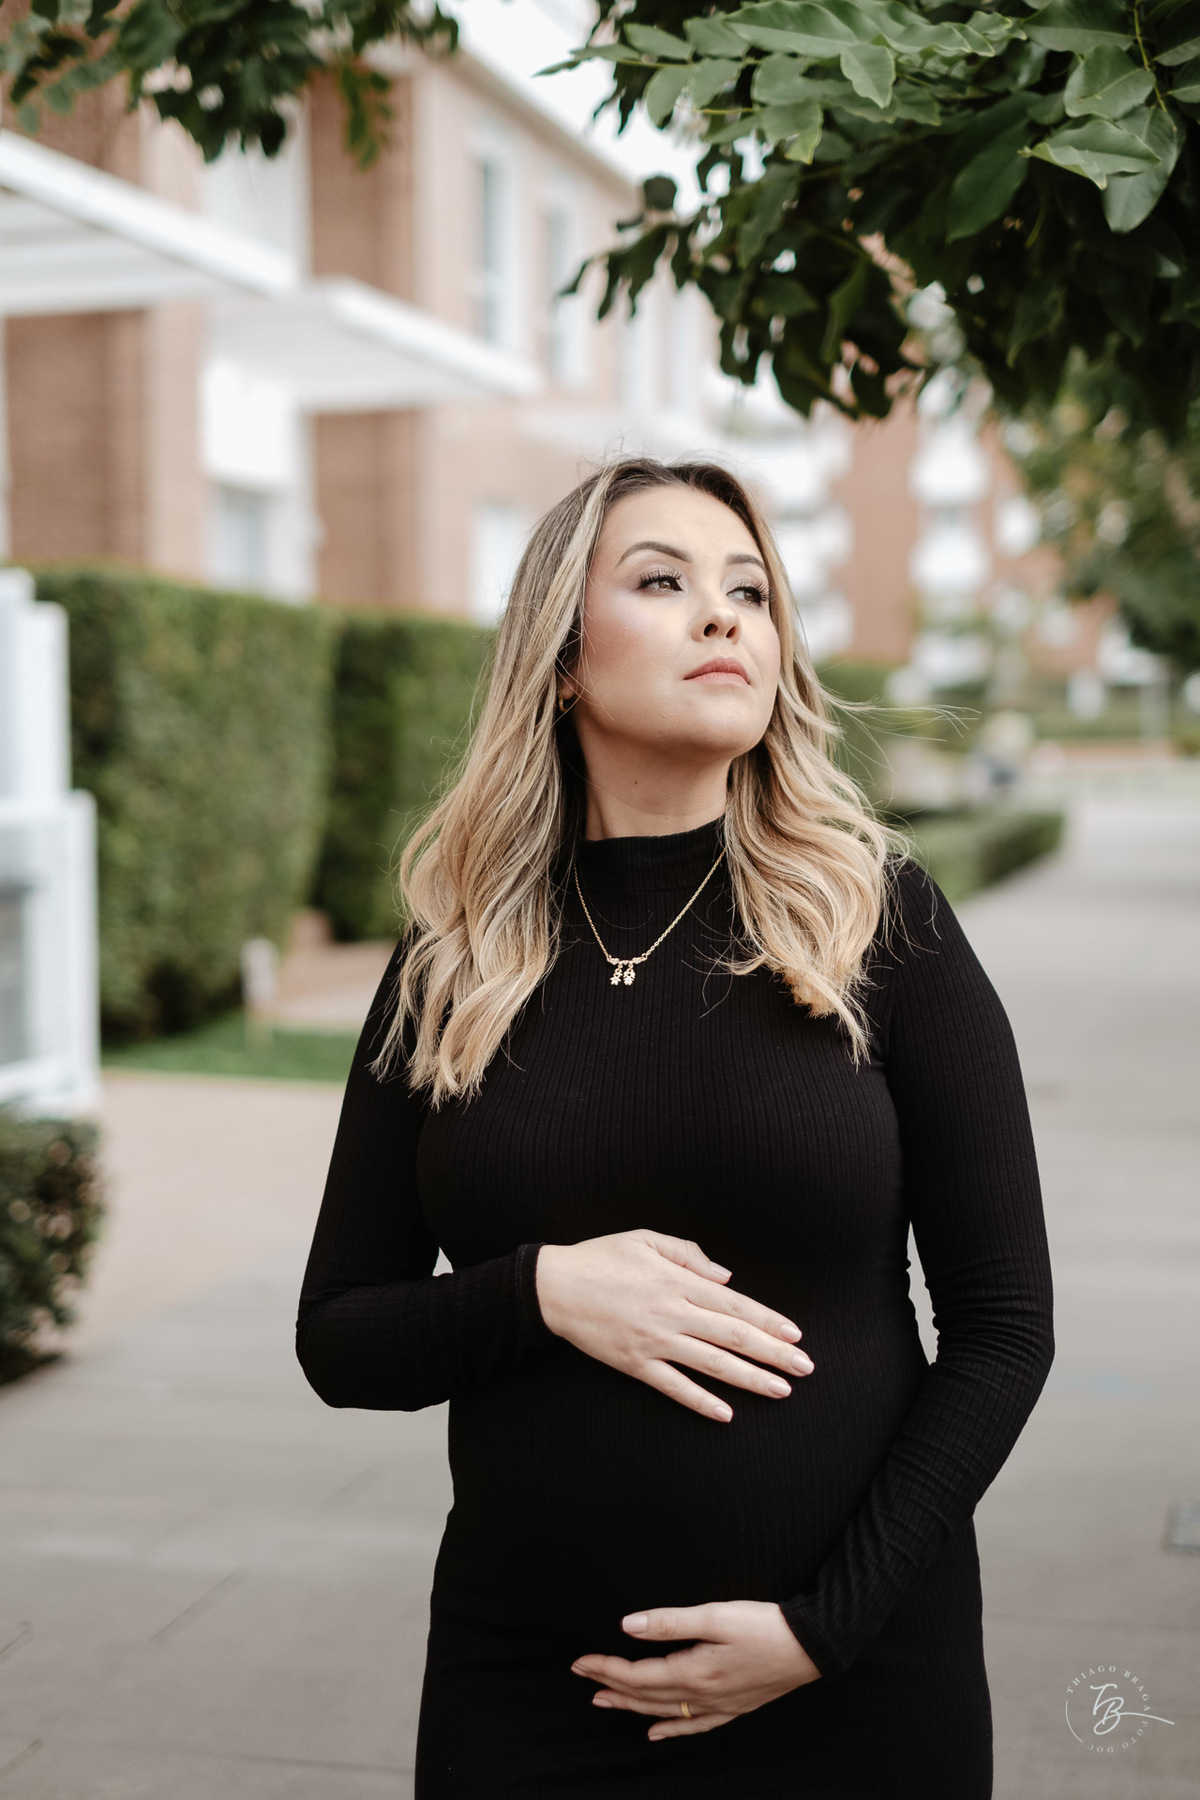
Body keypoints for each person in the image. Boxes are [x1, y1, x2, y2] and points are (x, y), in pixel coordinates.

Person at [296, 457, 1055, 1798]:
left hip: (855, 1682)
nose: (725, 617)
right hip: (531, 1687)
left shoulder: (881, 917)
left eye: (751, 591)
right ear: (563, 661)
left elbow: (1003, 1326)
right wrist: (545, 1294)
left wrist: (828, 1627)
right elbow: (341, 1335)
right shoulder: (456, 958)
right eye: (664, 581)